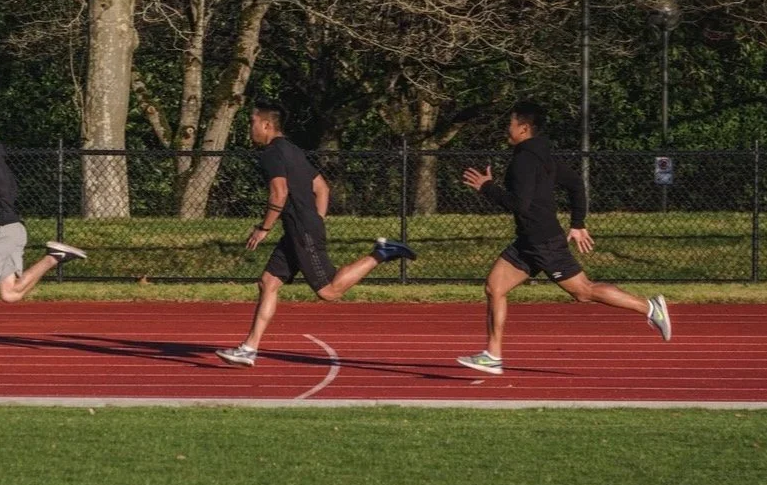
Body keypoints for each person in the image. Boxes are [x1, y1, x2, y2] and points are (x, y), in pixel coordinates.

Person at [457, 100, 671, 375]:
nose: (505, 129)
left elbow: (519, 204)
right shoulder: (543, 156)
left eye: (509, 123)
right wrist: (578, 222)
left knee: (583, 291)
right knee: (494, 288)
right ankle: (493, 355)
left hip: (543, 241)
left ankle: (650, 308)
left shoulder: (524, 160)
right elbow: (574, 184)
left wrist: (487, 188)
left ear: (523, 128)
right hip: (528, 241)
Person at [216, 98, 417, 368]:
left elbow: (279, 192)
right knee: (268, 283)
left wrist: (264, 228)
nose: (249, 128)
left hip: (301, 230)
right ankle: (249, 349)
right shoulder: (293, 150)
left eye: (252, 122)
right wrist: (315, 220)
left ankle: (382, 252)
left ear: (266, 125)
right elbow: (322, 187)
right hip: (301, 228)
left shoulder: (272, 154)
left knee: (329, 291)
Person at [0, 102, 87, 363]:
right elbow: (10, 189)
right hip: (11, 229)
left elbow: (0, 189)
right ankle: (53, 257)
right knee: (10, 294)